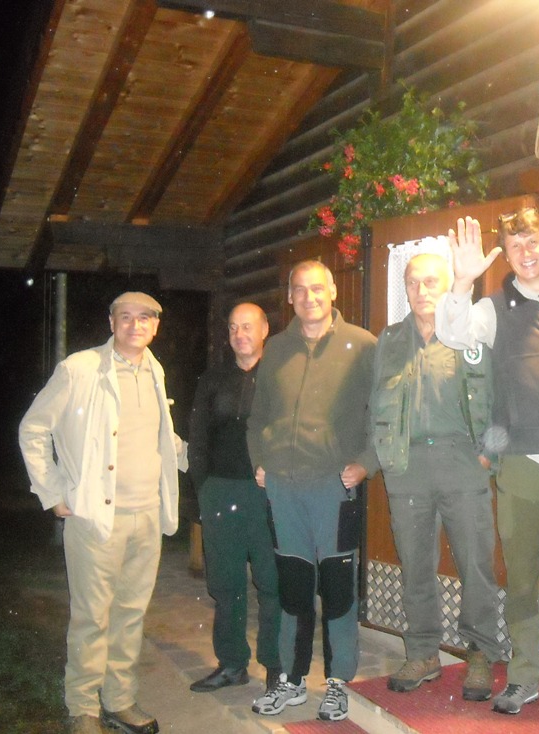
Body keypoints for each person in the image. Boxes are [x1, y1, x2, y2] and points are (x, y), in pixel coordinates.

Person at [436, 209, 539, 715]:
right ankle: (525, 674)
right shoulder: (493, 308)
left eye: (532, 242)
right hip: (524, 463)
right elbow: (452, 334)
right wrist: (462, 282)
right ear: (505, 256)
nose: (526, 253)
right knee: (524, 577)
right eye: (515, 247)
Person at [18, 292, 186, 734]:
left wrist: (203, 457)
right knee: (92, 617)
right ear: (111, 322)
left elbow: (160, 437)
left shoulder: (155, 371)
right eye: (125, 317)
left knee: (130, 615)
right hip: (95, 518)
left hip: (147, 514)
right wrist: (52, 491)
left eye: (144, 318)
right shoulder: (80, 369)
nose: (135, 325)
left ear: (156, 326)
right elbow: (33, 429)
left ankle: (119, 700)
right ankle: (83, 707)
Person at [247, 260, 378, 723]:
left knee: (338, 588)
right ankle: (292, 678)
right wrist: (260, 460)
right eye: (300, 290)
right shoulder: (276, 349)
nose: (309, 297)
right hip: (284, 488)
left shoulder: (363, 345)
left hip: (334, 487)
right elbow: (259, 415)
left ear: (333, 292)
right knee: (293, 588)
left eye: (317, 288)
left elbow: (384, 412)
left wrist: (367, 463)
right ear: (290, 297)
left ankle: (339, 681)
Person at [371, 253, 506, 701]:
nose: (421, 290)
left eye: (431, 281)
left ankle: (480, 653)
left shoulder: (470, 332)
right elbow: (373, 402)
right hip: (407, 467)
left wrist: (490, 454)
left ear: (448, 286)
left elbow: (500, 394)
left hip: (462, 462)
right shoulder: (390, 340)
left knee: (476, 565)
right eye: (413, 282)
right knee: (415, 565)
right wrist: (382, 457)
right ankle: (423, 652)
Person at [186, 303, 281, 701]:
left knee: (273, 582)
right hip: (221, 491)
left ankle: (276, 664)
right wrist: (203, 488)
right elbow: (198, 437)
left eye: (247, 326)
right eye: (233, 328)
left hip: (269, 494)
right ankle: (231, 664)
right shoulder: (212, 380)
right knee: (226, 583)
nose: (240, 334)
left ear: (264, 330)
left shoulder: (280, 375)